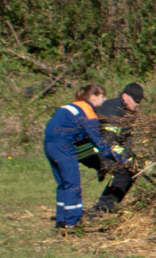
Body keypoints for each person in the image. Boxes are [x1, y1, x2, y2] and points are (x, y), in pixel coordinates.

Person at [43, 84, 124, 233]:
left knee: (63, 184)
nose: (104, 100)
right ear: (94, 97)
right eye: (102, 96)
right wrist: (119, 158)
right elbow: (98, 142)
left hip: (49, 145)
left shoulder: (71, 107)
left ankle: (61, 221)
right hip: (64, 147)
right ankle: (72, 222)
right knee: (73, 184)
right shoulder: (88, 113)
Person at [78, 82, 146, 215]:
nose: (138, 104)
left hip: (101, 147)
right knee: (124, 170)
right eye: (136, 101)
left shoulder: (127, 112)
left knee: (131, 170)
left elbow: (125, 140)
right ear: (125, 97)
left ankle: (105, 207)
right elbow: (109, 141)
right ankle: (103, 209)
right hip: (89, 148)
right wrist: (126, 160)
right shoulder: (114, 110)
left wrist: (131, 158)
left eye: (140, 101)